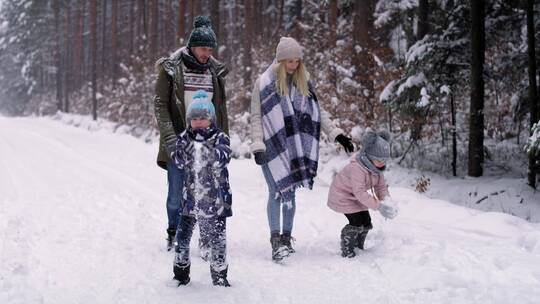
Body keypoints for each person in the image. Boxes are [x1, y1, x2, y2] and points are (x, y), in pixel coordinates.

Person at [249, 36, 355, 261]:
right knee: (276, 191)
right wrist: (257, 145)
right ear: (280, 61)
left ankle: (287, 238)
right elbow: (257, 117)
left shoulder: (303, 81)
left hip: (295, 148)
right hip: (272, 147)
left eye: (297, 61)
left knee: (291, 192)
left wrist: (337, 134)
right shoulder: (264, 82)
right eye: (289, 61)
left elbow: (319, 112)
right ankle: (275, 241)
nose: (294, 65)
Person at [153, 15, 229, 251]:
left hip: (207, 143)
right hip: (179, 142)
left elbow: (221, 108)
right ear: (191, 46)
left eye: (210, 48)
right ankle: (174, 232)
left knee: (207, 193)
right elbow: (160, 105)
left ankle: (206, 237)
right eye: (203, 47)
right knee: (177, 194)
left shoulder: (214, 71)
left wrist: (223, 141)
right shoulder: (172, 69)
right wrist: (171, 140)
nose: (207, 52)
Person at [169, 90, 232, 286]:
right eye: (194, 118)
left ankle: (219, 275)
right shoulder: (184, 138)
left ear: (211, 119)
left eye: (202, 118)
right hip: (191, 200)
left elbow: (223, 157)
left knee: (218, 239)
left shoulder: (220, 137)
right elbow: (178, 159)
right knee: (182, 237)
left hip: (217, 200)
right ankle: (180, 274)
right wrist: (178, 149)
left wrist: (206, 151)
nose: (198, 122)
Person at [327, 129, 398, 258]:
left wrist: (387, 201)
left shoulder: (377, 169)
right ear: (369, 156)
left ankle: (358, 246)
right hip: (342, 196)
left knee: (366, 222)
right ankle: (347, 248)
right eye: (379, 159)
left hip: (355, 197)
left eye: (384, 160)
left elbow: (381, 187)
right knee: (356, 222)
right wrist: (378, 206)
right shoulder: (357, 168)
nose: (382, 163)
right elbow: (359, 192)